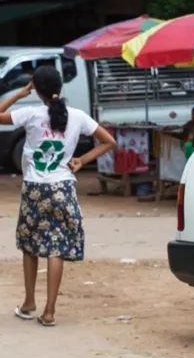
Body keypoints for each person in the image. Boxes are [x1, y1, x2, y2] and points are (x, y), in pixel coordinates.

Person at [0, 66, 116, 326]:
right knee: (56, 248)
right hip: (62, 187)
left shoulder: (30, 113)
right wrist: (82, 160)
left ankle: (29, 303)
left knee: (29, 247)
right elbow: (109, 141)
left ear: (36, 89)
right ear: (60, 87)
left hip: (34, 189)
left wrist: (20, 93)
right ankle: (50, 312)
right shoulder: (77, 116)